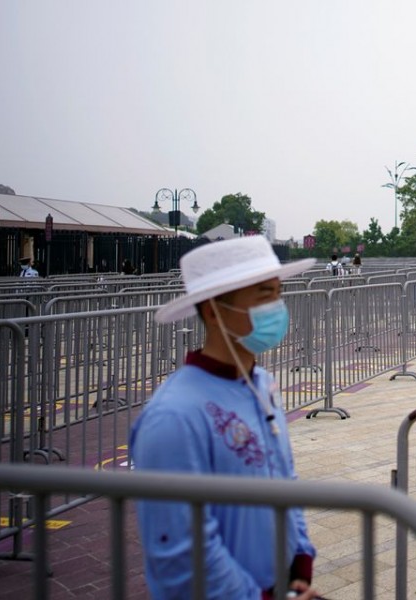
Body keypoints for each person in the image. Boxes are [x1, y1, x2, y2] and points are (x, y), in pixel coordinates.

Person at [130, 236, 320, 600]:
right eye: (264, 295)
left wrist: (299, 561)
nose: (277, 308)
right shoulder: (173, 416)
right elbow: (182, 555)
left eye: (278, 294)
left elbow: (285, 478)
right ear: (215, 311)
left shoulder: (262, 384)